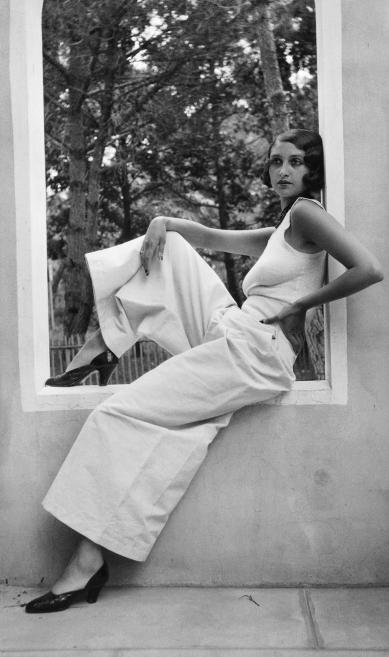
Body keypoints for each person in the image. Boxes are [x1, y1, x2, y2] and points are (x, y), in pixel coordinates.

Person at [25, 129, 383, 613]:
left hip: (259, 347)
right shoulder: (285, 227)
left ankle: (86, 562)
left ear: (312, 170)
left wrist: (300, 304)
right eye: (275, 161)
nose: (282, 171)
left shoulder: (306, 213)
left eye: (295, 162)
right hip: (239, 333)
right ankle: (108, 344)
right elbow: (211, 238)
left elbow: (369, 269)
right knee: (169, 249)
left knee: (116, 414)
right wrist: (160, 220)